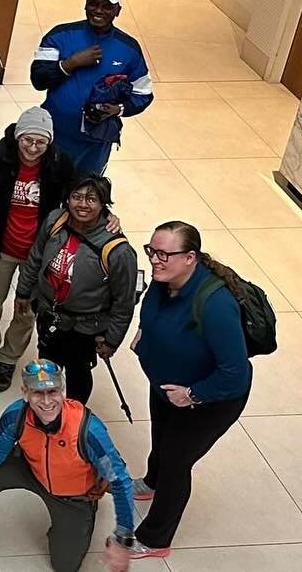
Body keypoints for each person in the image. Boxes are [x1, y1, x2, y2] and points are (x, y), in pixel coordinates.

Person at [130, 221, 253, 559]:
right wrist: (145, 340)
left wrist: (192, 394)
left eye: (165, 254)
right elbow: (151, 317)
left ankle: (155, 539)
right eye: (152, 251)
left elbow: (236, 374)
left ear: (190, 258)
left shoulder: (215, 305)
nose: (155, 260)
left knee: (175, 461)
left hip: (207, 400)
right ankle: (150, 482)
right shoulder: (163, 282)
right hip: (166, 388)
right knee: (161, 437)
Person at [0, 359, 136, 572]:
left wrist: (123, 539)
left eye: (52, 392)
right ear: (25, 393)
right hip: (30, 469)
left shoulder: (88, 430)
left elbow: (121, 482)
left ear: (63, 391)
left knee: (65, 566)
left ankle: (85, 515)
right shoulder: (15, 416)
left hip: (72, 494)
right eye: (37, 393)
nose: (46, 401)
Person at [0, 107, 78, 392]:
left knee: (25, 309)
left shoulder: (59, 163)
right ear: (17, 137)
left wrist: (108, 216)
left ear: (49, 142)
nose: (32, 148)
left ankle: (8, 358)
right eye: (27, 140)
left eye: (40, 142)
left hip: (37, 255)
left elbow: (81, 196)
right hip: (1, 246)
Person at [13, 175, 137, 405]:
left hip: (84, 327)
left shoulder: (118, 251)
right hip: (49, 314)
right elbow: (36, 257)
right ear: (67, 199)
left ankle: (73, 413)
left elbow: (124, 302)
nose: (82, 204)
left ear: (103, 204)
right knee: (47, 365)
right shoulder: (55, 221)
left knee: (78, 372)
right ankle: (45, 406)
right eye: (76, 197)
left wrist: (112, 340)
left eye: (91, 199)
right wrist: (23, 292)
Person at [30, 0, 154, 174]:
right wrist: (71, 63)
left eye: (107, 7)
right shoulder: (60, 35)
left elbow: (143, 93)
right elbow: (38, 79)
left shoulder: (129, 49)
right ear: (85, 5)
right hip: (54, 134)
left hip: (95, 145)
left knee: (85, 194)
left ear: (117, 11)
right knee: (47, 190)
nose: (99, 11)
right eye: (94, 4)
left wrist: (118, 109)